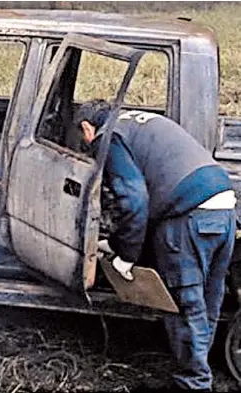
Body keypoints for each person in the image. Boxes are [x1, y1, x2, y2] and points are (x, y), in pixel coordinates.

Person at [74, 100, 237, 392]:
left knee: (185, 307)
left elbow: (134, 200)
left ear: (87, 128)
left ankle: (194, 383)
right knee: (209, 301)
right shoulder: (139, 121)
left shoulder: (108, 136)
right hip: (224, 209)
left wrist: (125, 257)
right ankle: (199, 372)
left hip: (189, 218)